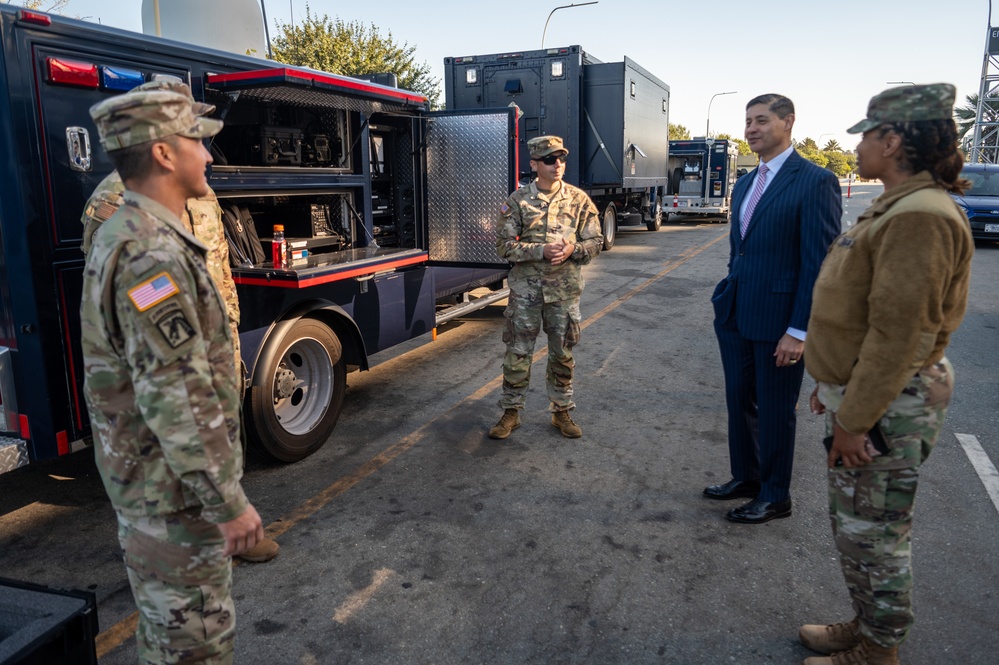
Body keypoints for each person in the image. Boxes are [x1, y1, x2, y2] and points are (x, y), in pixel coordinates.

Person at [82, 85, 263, 663]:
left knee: (167, 635)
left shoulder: (141, 236)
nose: (208, 156)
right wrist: (226, 502)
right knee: (194, 644)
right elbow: (175, 394)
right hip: (174, 495)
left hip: (160, 487)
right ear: (163, 153)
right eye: (197, 142)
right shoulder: (147, 253)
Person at [799, 84, 972, 665]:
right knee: (860, 526)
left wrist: (856, 416)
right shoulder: (897, 205)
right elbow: (861, 313)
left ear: (893, 141)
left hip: (890, 402)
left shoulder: (919, 216)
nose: (860, 147)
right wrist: (833, 384)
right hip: (870, 394)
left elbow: (900, 337)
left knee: (876, 533)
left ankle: (878, 652)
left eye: (868, 135)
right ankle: (868, 626)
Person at [705, 94, 842, 523]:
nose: (751, 129)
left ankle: (776, 494)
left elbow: (818, 263)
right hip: (736, 314)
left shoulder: (814, 180)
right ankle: (746, 476)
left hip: (779, 320)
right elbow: (739, 252)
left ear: (788, 123)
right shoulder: (745, 182)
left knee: (776, 409)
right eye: (747, 121)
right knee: (738, 399)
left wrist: (799, 330)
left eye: (761, 120)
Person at [489, 135, 603, 440]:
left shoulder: (579, 200)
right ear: (534, 164)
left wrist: (572, 251)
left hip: (564, 295)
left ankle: (561, 411)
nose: (558, 165)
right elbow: (503, 246)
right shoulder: (518, 202)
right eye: (550, 160)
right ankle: (511, 412)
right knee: (517, 353)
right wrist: (539, 251)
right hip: (526, 294)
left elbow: (595, 242)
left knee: (562, 354)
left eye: (562, 158)